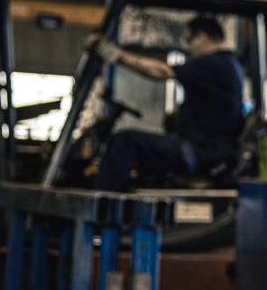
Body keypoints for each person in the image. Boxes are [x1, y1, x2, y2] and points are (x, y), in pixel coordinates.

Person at [88, 15, 245, 191]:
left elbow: (160, 71)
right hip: (209, 150)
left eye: (189, 39)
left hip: (201, 153)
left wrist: (111, 52)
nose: (189, 47)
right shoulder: (229, 65)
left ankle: (103, 206)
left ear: (202, 36)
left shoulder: (215, 63)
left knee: (125, 142)